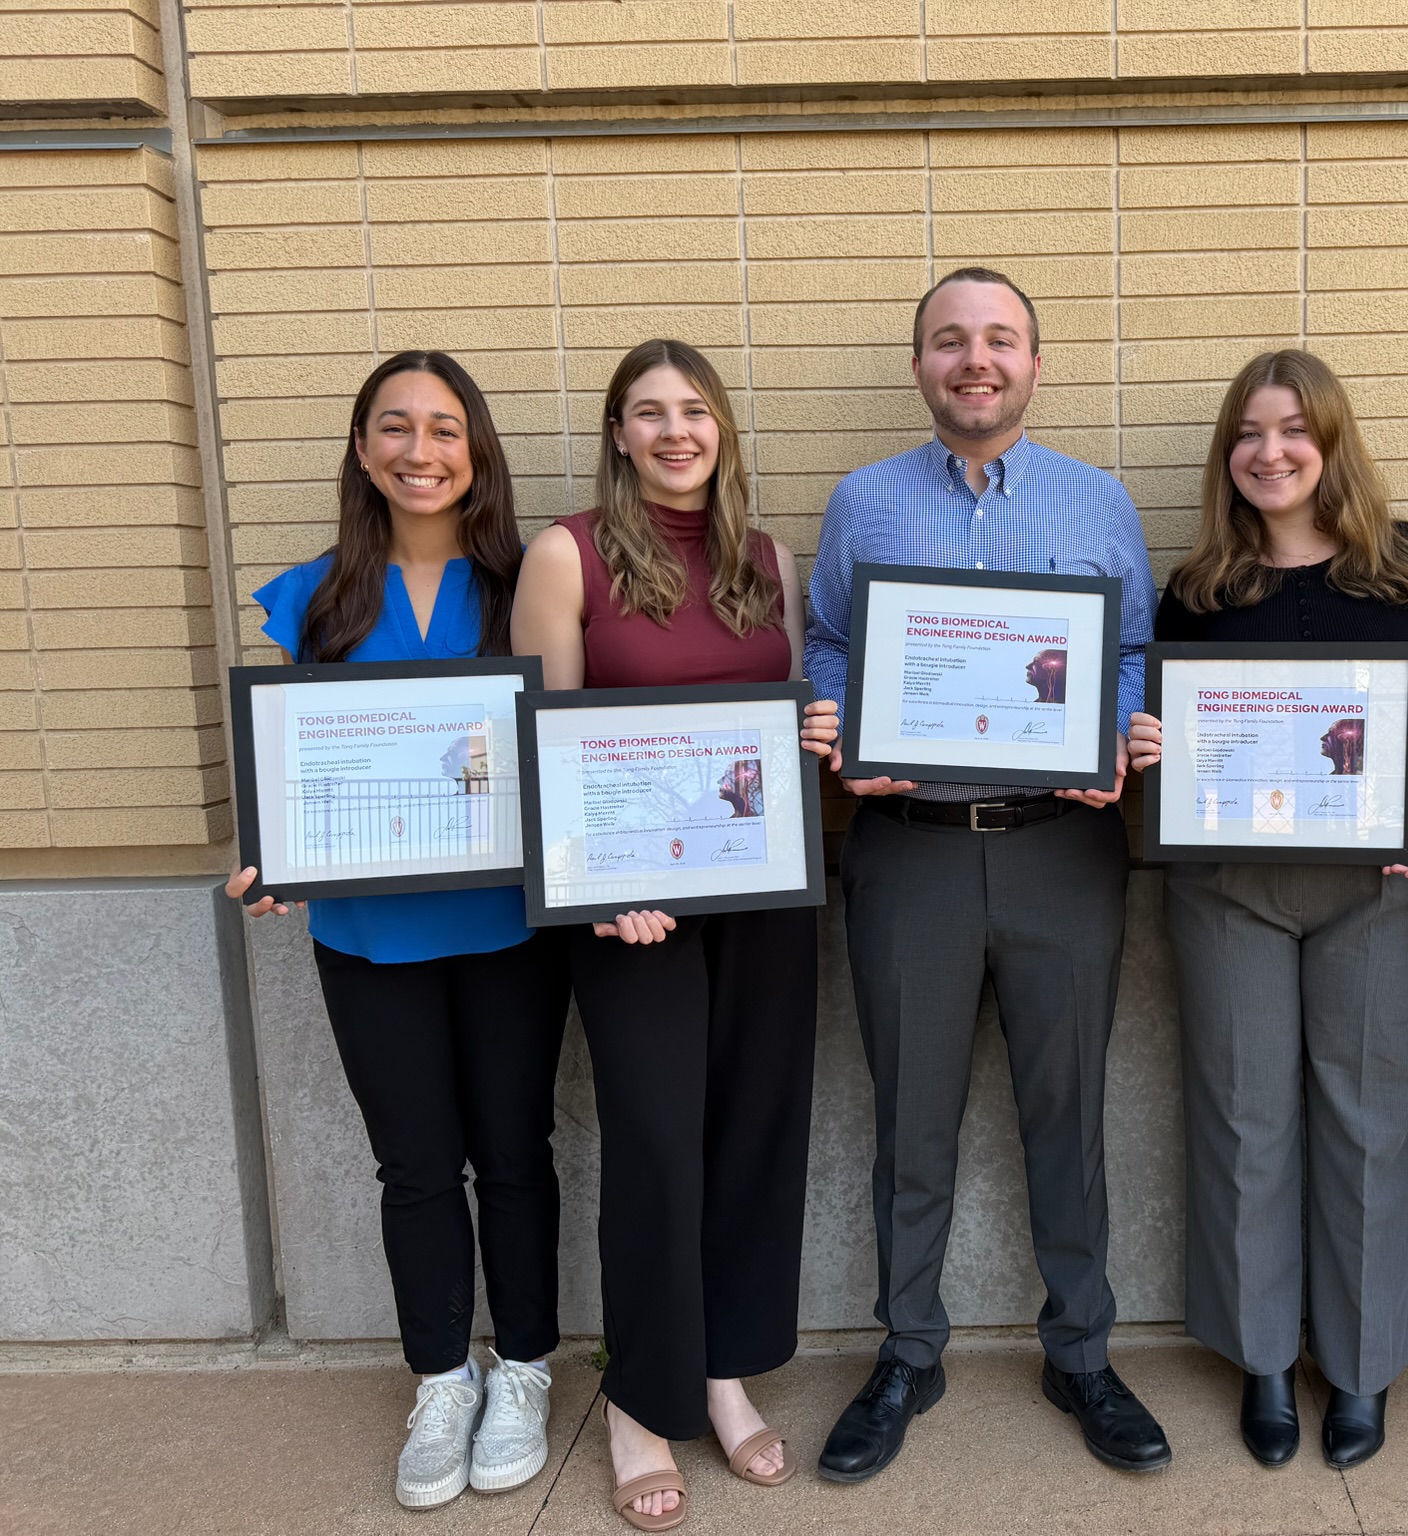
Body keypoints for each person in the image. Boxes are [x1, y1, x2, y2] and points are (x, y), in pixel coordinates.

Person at [804, 266, 1167, 1481]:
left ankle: (1081, 1353)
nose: (976, 360)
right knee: (910, 1121)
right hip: (907, 854)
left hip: (1062, 849)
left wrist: (1116, 733)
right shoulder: (862, 503)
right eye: (950, 342)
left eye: (999, 339)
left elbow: (1128, 651)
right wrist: (830, 719)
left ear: (1033, 361)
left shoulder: (1094, 501)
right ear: (919, 365)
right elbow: (829, 641)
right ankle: (908, 1351)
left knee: (1067, 1116)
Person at [227, 351, 572, 1511]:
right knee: (415, 1166)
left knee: (516, 1157)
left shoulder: (528, 581)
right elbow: (298, 770)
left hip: (510, 926)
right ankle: (440, 1375)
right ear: (363, 449)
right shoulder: (312, 597)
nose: (419, 451)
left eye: (443, 429)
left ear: (476, 451)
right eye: (394, 428)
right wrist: (272, 862)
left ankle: (523, 1365)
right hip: (369, 933)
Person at [511, 339, 839, 1532]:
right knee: (654, 1142)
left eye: (693, 410)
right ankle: (641, 1404)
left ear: (722, 429)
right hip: (629, 913)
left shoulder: (768, 560)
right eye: (646, 414)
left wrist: (814, 741)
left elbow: (782, 715)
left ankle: (722, 1370)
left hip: (761, 892)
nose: (673, 432)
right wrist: (596, 888)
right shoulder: (568, 555)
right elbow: (541, 745)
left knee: (753, 1127)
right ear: (616, 435)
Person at [1124, 349, 1408, 1470]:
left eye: (1292, 431)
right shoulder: (1199, 587)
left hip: (1377, 889)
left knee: (1370, 1119)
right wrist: (1151, 746)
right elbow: (1170, 733)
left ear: (1330, 441)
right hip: (1228, 889)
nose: (1268, 452)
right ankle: (1263, 1356)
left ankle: (1359, 1368)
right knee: (1240, 1116)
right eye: (1248, 433)